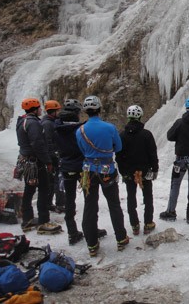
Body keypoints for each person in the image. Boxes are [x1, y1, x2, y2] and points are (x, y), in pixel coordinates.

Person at [76, 95, 129, 257]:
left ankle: (92, 244)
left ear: (86, 111)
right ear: (99, 109)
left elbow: (82, 150)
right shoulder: (110, 128)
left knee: (90, 206)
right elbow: (118, 148)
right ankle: (121, 238)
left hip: (88, 171)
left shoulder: (80, 130)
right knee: (114, 204)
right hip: (107, 169)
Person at [54, 98, 107, 245]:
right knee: (90, 200)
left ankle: (72, 233)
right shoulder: (80, 129)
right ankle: (92, 230)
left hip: (65, 167)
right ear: (76, 113)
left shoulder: (56, 127)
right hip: (82, 167)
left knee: (69, 201)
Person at [16, 98, 62, 234]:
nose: (41, 110)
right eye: (39, 108)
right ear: (34, 109)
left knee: (29, 189)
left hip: (26, 160)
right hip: (36, 162)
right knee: (44, 189)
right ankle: (43, 221)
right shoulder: (33, 123)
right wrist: (47, 161)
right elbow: (38, 144)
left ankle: (27, 219)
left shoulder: (21, 121)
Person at [159, 97, 189, 224]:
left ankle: (171, 211)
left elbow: (170, 136)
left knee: (175, 184)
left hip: (181, 159)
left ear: (186, 108)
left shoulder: (180, 122)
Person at [116, 105, 159, 236]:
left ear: (128, 117)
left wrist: (123, 171)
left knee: (131, 198)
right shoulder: (146, 134)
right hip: (145, 171)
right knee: (148, 197)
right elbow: (152, 153)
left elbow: (119, 156)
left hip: (129, 172)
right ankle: (148, 223)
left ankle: (134, 225)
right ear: (140, 117)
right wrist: (155, 169)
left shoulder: (122, 135)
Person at [41, 100, 66, 214]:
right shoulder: (48, 124)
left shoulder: (50, 122)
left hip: (52, 155)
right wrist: (54, 155)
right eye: (57, 110)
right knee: (57, 180)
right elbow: (48, 141)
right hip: (53, 156)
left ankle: (49, 203)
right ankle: (59, 204)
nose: (59, 112)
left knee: (52, 181)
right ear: (53, 111)